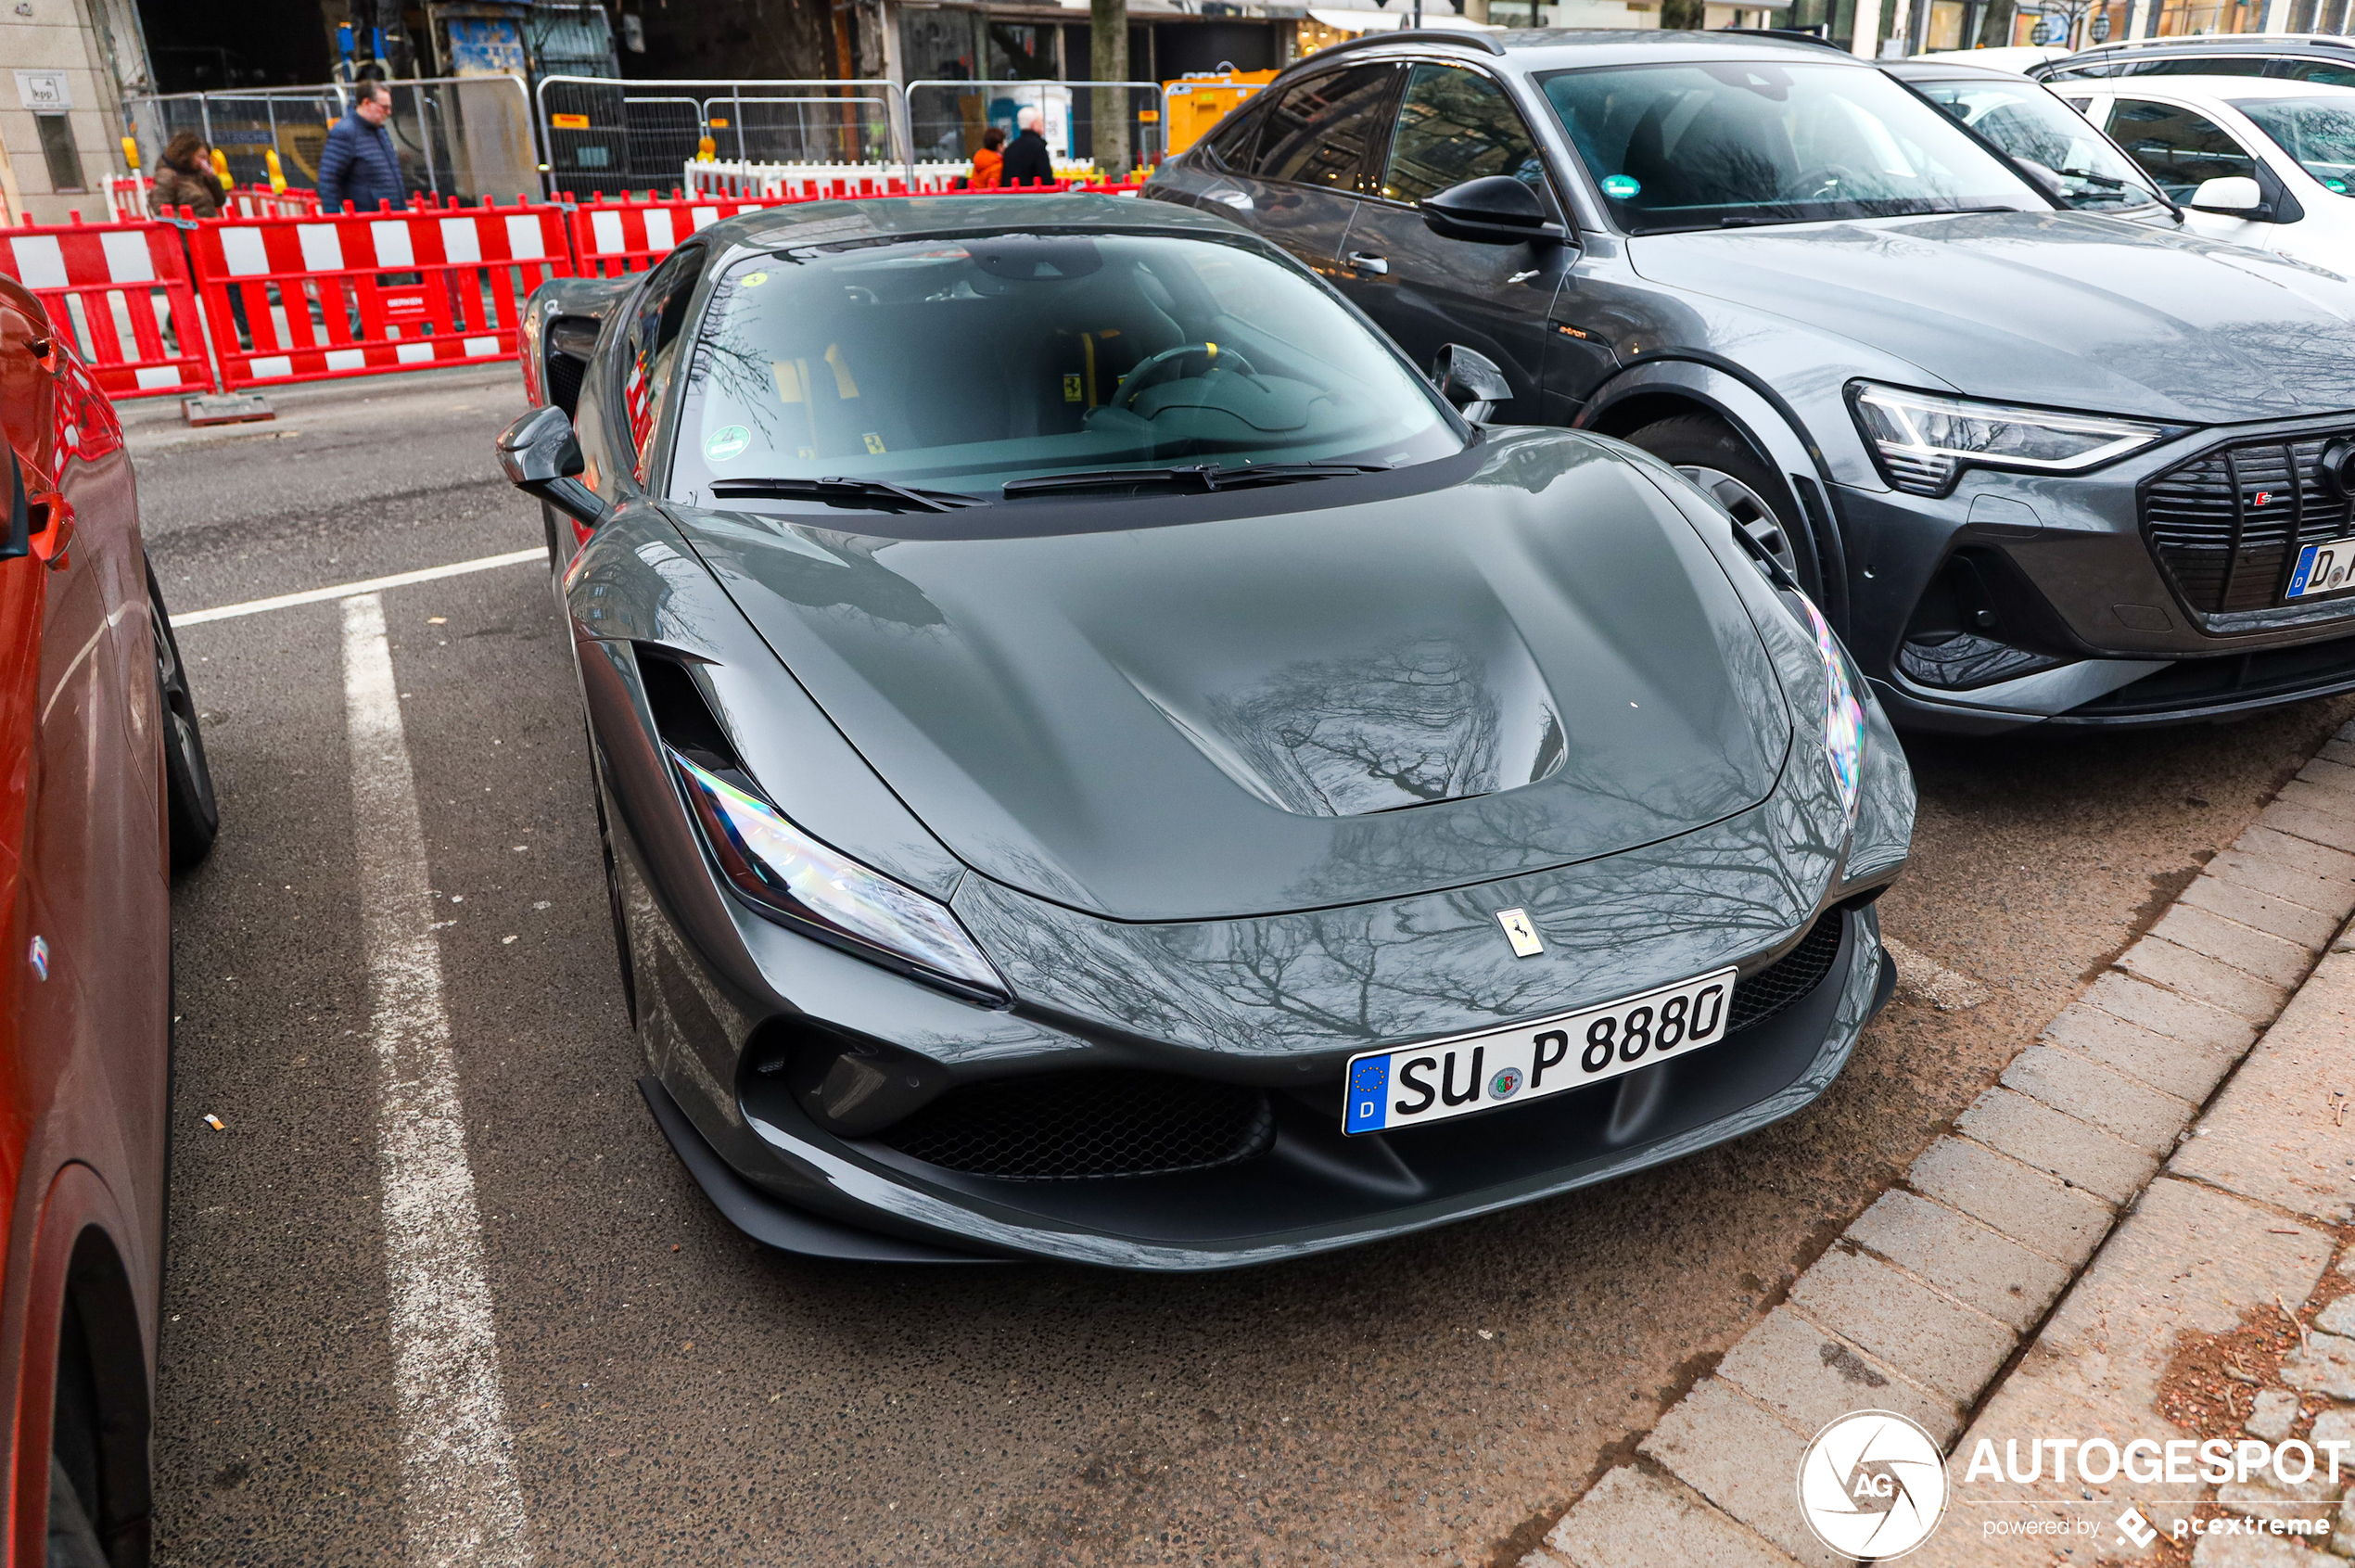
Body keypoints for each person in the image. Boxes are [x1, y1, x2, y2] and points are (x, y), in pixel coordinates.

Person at [317, 80, 407, 214]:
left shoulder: (379, 130)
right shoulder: (345, 132)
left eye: (389, 107)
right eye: (384, 107)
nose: (388, 112)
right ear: (366, 103)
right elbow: (328, 179)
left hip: (390, 215)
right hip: (368, 219)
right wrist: (334, 218)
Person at [148, 133, 225, 218]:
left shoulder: (200, 174)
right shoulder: (168, 175)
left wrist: (212, 180)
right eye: (201, 157)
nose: (204, 162)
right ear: (187, 155)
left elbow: (219, 201)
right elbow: (160, 208)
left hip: (209, 225)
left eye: (207, 158)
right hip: (187, 228)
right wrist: (188, 221)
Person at [1001, 106, 1054, 188]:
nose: (1043, 124)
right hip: (1035, 197)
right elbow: (1047, 180)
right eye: (1041, 121)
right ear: (1034, 124)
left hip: (1013, 198)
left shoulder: (1010, 148)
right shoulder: (1038, 147)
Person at [971, 125, 1006, 191]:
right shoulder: (997, 166)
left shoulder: (980, 160)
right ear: (999, 146)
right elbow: (993, 190)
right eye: (1004, 144)